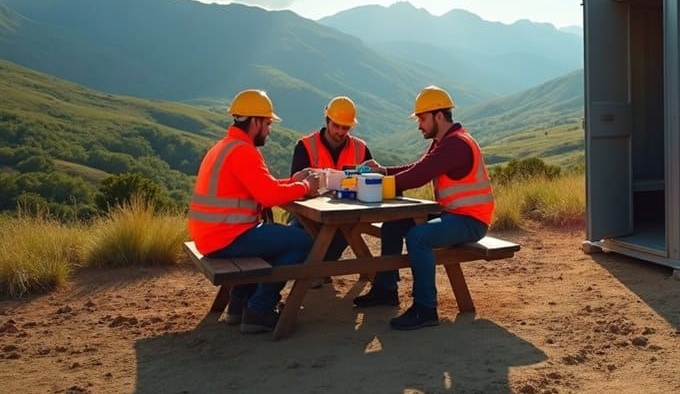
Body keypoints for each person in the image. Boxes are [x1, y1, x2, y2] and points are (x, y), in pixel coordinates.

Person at [355, 85, 494, 331]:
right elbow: (420, 167)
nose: (419, 124)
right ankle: (386, 290)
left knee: (418, 237)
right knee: (393, 227)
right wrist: (383, 172)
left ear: (438, 116)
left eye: (421, 118)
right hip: (452, 214)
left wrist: (377, 183)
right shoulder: (444, 141)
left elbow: (417, 177)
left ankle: (425, 308)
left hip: (470, 221)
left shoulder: (456, 145)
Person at [188, 89, 320, 334]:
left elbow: (263, 186)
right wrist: (304, 186)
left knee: (276, 238)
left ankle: (238, 305)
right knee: (302, 241)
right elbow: (268, 196)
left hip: (213, 235)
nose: (269, 130)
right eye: (267, 123)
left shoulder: (226, 146)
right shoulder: (243, 151)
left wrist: (292, 181)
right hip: (225, 238)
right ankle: (259, 308)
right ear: (256, 121)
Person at [288, 96, 374, 281]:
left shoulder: (361, 148)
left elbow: (368, 180)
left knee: (346, 230)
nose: (340, 132)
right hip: (308, 213)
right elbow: (296, 184)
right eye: (336, 126)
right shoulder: (305, 146)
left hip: (347, 212)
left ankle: (317, 271)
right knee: (299, 235)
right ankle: (314, 271)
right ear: (327, 121)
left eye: (346, 127)